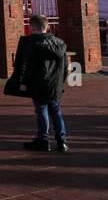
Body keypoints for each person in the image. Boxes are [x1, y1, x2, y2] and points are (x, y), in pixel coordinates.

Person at [12, 14, 69, 153]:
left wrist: (23, 82)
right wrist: (61, 82)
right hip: (55, 84)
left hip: (38, 83)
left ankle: (43, 141)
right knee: (56, 111)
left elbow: (27, 65)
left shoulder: (31, 44)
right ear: (47, 26)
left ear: (31, 28)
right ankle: (62, 142)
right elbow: (66, 66)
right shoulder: (60, 43)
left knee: (41, 110)